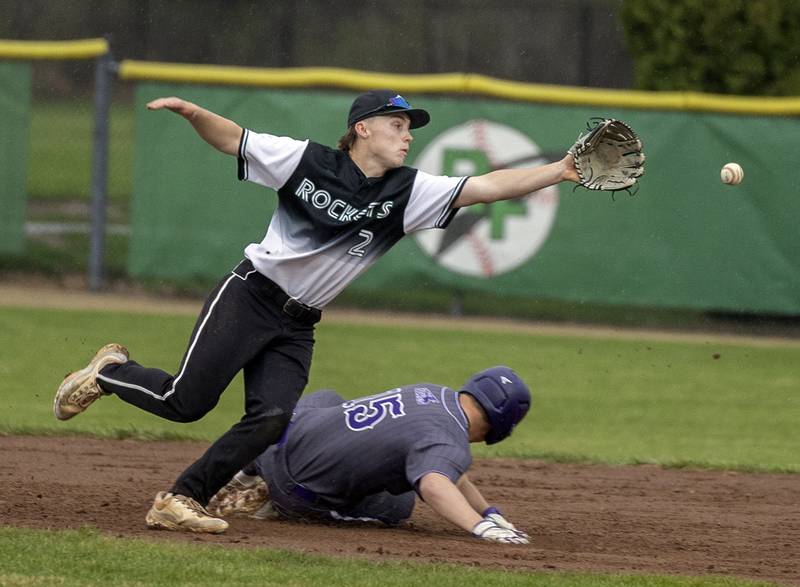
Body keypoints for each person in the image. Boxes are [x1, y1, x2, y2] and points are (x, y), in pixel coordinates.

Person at [53, 89, 580, 534]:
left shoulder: (408, 191)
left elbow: (485, 188)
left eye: (409, 127)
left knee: (272, 418)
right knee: (184, 401)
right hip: (251, 294)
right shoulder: (307, 162)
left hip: (299, 322)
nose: (407, 134)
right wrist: (194, 115)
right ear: (362, 129)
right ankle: (111, 373)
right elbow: (235, 139)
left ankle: (181, 498)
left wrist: (558, 171)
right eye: (397, 124)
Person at [209, 366, 532, 544]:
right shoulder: (448, 441)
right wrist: (481, 527)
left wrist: (488, 510)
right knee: (401, 504)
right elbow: (436, 483)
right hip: (298, 492)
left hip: (277, 444)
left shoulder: (432, 391)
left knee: (327, 398)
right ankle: (274, 504)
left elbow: (450, 468)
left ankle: (248, 471)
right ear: (502, 423)